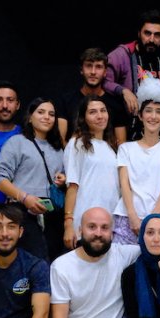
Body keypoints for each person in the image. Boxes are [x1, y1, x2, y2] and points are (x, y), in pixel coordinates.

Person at [0, 97, 69, 261]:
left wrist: (63, 179)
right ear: (29, 117)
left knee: (54, 262)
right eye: (41, 112)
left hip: (52, 215)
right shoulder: (16, 142)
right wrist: (24, 197)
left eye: (51, 114)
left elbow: (63, 176)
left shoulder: (58, 148)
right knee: (33, 264)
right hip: (23, 212)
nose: (46, 117)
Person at [113, 75, 160, 247]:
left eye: (159, 112)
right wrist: (132, 216)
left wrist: (152, 220)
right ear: (140, 115)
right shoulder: (125, 149)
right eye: (148, 110)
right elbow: (124, 185)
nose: (153, 116)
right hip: (129, 218)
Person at [104, 9, 160, 117]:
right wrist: (123, 91)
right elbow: (104, 81)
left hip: (158, 123)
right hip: (127, 123)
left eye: (157, 35)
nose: (151, 39)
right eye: (147, 33)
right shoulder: (122, 54)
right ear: (139, 33)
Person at [62, 96, 119, 249]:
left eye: (103, 111)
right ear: (83, 118)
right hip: (85, 222)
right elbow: (72, 185)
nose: (100, 116)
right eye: (93, 112)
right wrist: (68, 224)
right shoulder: (77, 144)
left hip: (109, 224)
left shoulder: (111, 147)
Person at [56, 48, 130, 143]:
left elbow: (121, 144)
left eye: (98, 67)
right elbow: (61, 139)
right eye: (89, 66)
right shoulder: (66, 101)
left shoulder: (116, 103)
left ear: (105, 72)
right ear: (81, 70)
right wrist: (72, 152)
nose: (93, 72)